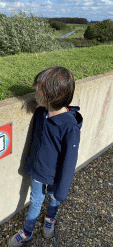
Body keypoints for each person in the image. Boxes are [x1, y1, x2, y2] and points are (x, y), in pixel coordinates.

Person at [8, 66, 83, 247]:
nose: (35, 95)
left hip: (56, 175)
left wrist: (62, 189)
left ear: (52, 96)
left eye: (38, 92)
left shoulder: (69, 127)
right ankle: (27, 231)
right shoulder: (41, 112)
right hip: (39, 171)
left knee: (54, 197)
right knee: (35, 200)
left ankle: (50, 218)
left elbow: (69, 161)